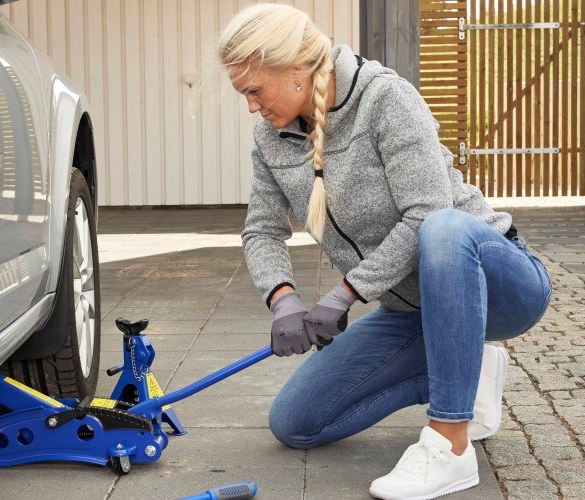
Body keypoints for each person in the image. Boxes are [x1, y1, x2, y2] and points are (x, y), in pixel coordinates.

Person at [218, 5, 552, 499]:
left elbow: (426, 214)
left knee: (442, 229)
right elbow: (261, 231)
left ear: (295, 70)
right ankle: (465, 368)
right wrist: (283, 297)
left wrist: (346, 293)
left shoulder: (385, 98)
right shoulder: (271, 137)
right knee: (296, 421)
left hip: (499, 282)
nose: (251, 106)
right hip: (409, 311)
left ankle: (450, 446)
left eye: (253, 90)